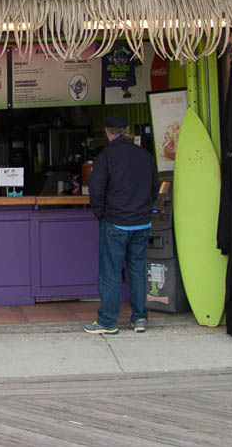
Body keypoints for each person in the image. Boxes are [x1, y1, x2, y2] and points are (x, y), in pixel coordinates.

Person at [85, 115, 158, 335]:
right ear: (127, 130)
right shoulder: (145, 156)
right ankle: (140, 318)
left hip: (115, 222)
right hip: (141, 223)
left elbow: (95, 190)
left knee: (110, 273)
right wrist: (144, 211)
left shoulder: (107, 156)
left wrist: (102, 215)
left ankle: (108, 321)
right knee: (137, 270)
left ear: (107, 132)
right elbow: (155, 188)